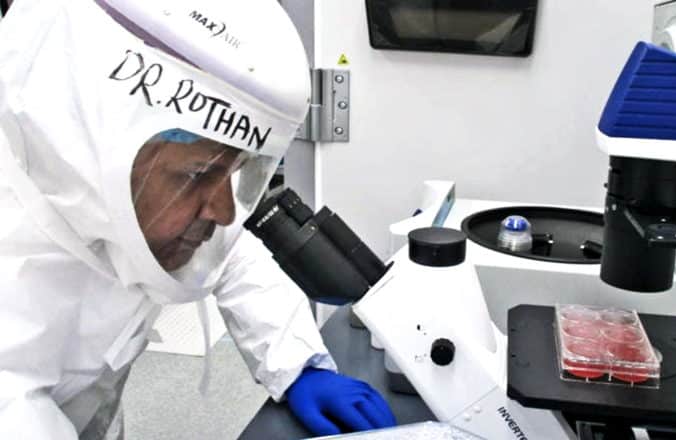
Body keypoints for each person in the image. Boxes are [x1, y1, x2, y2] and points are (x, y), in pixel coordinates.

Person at [0, 0, 395, 438]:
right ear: (89, 145)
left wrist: (297, 364)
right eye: (197, 174)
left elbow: (228, 253)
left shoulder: (108, 200)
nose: (223, 211)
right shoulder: (15, 270)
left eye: (233, 172)